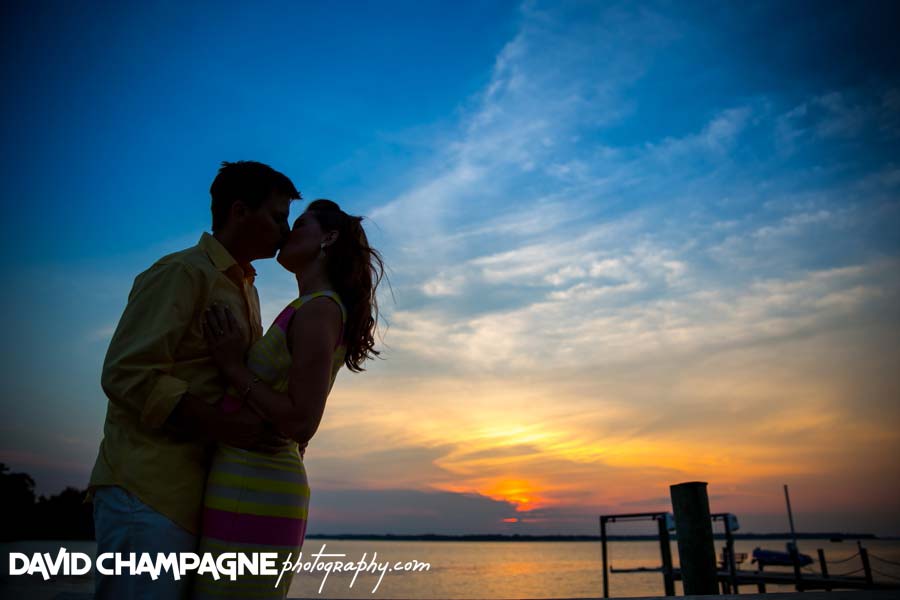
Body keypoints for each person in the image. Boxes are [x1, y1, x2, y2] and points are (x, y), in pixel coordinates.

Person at [88, 161, 301, 599]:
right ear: (240, 211)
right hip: (146, 487)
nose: (286, 228)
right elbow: (126, 372)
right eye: (278, 216)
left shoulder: (246, 287)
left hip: (195, 493)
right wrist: (223, 425)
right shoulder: (181, 272)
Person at [192, 199, 384, 599]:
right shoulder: (311, 307)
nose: (286, 233)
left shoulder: (320, 310)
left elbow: (301, 422)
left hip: (258, 483)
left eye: (299, 225)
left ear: (327, 238)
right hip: (248, 478)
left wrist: (232, 365)